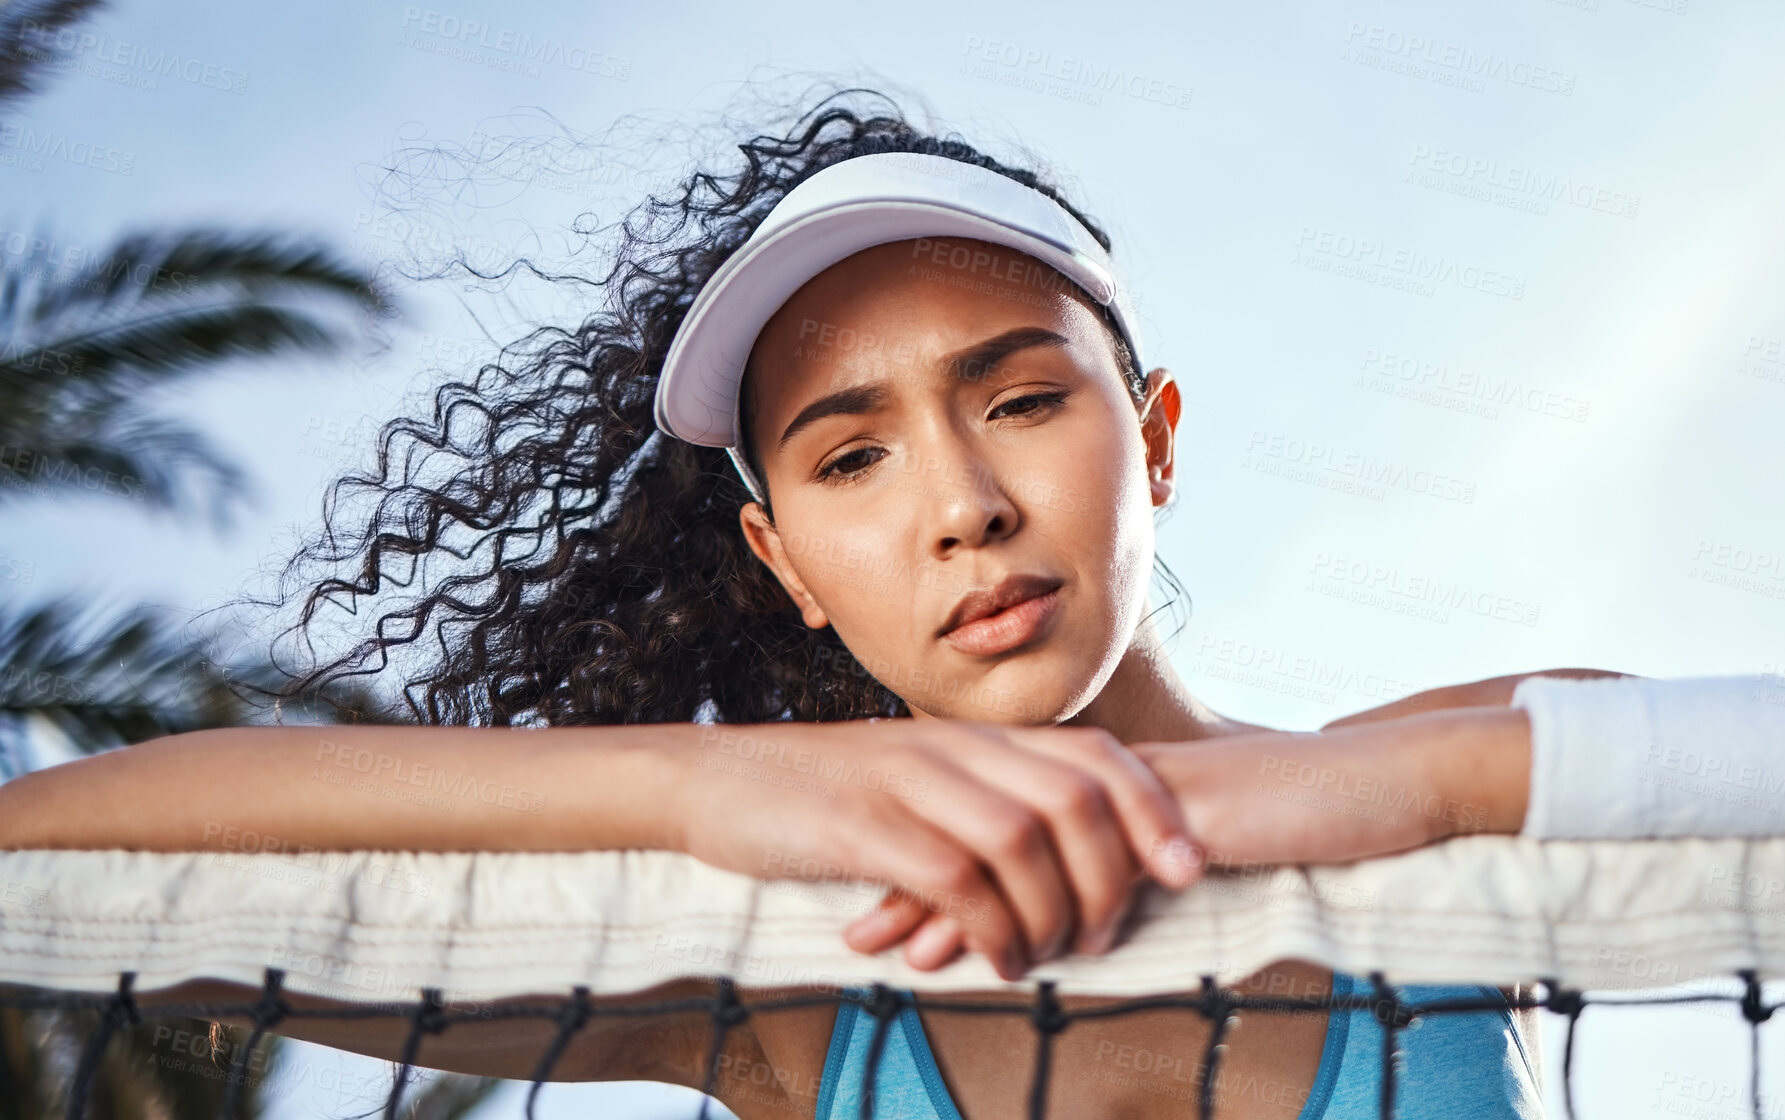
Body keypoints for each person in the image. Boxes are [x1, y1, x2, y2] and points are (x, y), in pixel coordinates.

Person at [2, 87, 1628, 1118]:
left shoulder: (1470, 797)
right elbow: (48, 856)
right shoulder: (771, 976)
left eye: (1017, 401)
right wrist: (708, 780)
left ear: (1154, 440)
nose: (961, 506)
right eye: (849, 459)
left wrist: (1376, 794)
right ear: (780, 563)